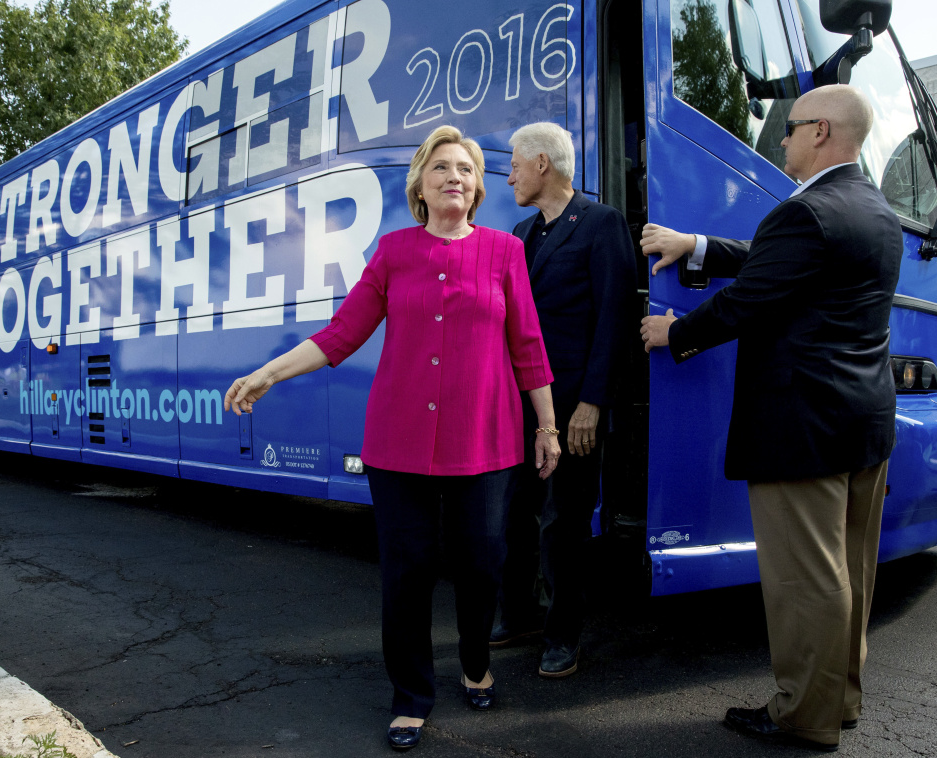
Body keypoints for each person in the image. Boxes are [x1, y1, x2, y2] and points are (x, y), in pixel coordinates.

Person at [224, 125, 561, 752]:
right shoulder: (393, 252)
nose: (454, 176)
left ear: (478, 186)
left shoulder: (504, 253)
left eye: (464, 168)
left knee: (482, 564)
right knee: (406, 574)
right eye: (441, 169)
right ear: (421, 187)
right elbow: (339, 335)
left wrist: (546, 425)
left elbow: (528, 346)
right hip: (398, 442)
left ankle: (473, 658)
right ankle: (411, 696)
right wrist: (268, 371)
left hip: (485, 440)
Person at [640, 85, 902, 752]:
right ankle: (835, 699)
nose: (777, 140)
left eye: (785, 129)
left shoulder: (809, 211)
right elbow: (784, 265)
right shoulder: (871, 207)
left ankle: (800, 716)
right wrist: (696, 243)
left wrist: (674, 333)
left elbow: (747, 301)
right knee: (847, 571)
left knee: (805, 582)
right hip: (861, 422)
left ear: (818, 132)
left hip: (799, 429)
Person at [492, 122, 637, 677]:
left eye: (514, 164)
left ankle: (562, 634)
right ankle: (521, 615)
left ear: (542, 165)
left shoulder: (601, 224)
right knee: (514, 516)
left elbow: (615, 319)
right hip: (524, 406)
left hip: (576, 406)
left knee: (564, 521)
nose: (509, 174)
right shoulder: (524, 233)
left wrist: (593, 403)